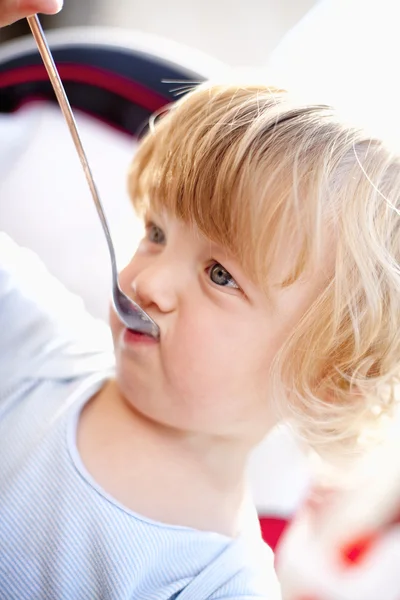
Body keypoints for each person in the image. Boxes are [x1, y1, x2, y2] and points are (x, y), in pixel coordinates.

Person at [1, 2, 400, 599]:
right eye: (156, 233)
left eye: (219, 275)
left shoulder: (218, 584)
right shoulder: (42, 350)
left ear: (326, 379)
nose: (149, 282)